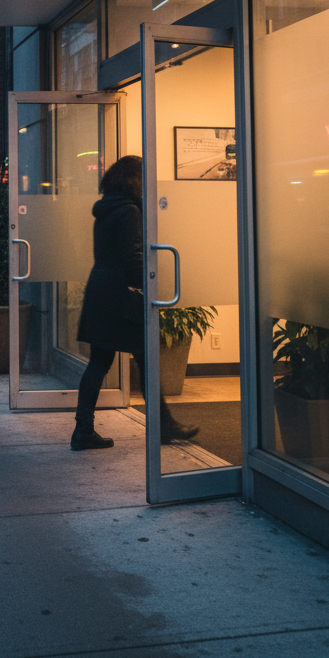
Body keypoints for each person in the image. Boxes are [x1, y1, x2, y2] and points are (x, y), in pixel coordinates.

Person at [71, 155, 199, 450]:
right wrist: (152, 284)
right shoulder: (128, 210)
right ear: (134, 180)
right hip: (121, 297)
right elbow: (133, 259)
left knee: (99, 362)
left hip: (101, 291)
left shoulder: (106, 210)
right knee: (146, 359)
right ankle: (164, 427)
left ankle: (83, 430)